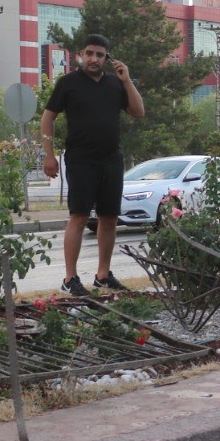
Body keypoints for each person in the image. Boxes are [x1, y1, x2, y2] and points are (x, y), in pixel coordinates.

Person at [41, 33, 145, 296]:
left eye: (99, 54)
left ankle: (102, 276)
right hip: (81, 160)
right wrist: (48, 155)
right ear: (81, 55)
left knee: (109, 218)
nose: (93, 59)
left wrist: (127, 80)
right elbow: (47, 118)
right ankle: (70, 279)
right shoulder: (68, 83)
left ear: (106, 58)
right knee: (79, 217)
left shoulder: (115, 84)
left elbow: (138, 112)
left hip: (111, 160)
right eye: (89, 53)